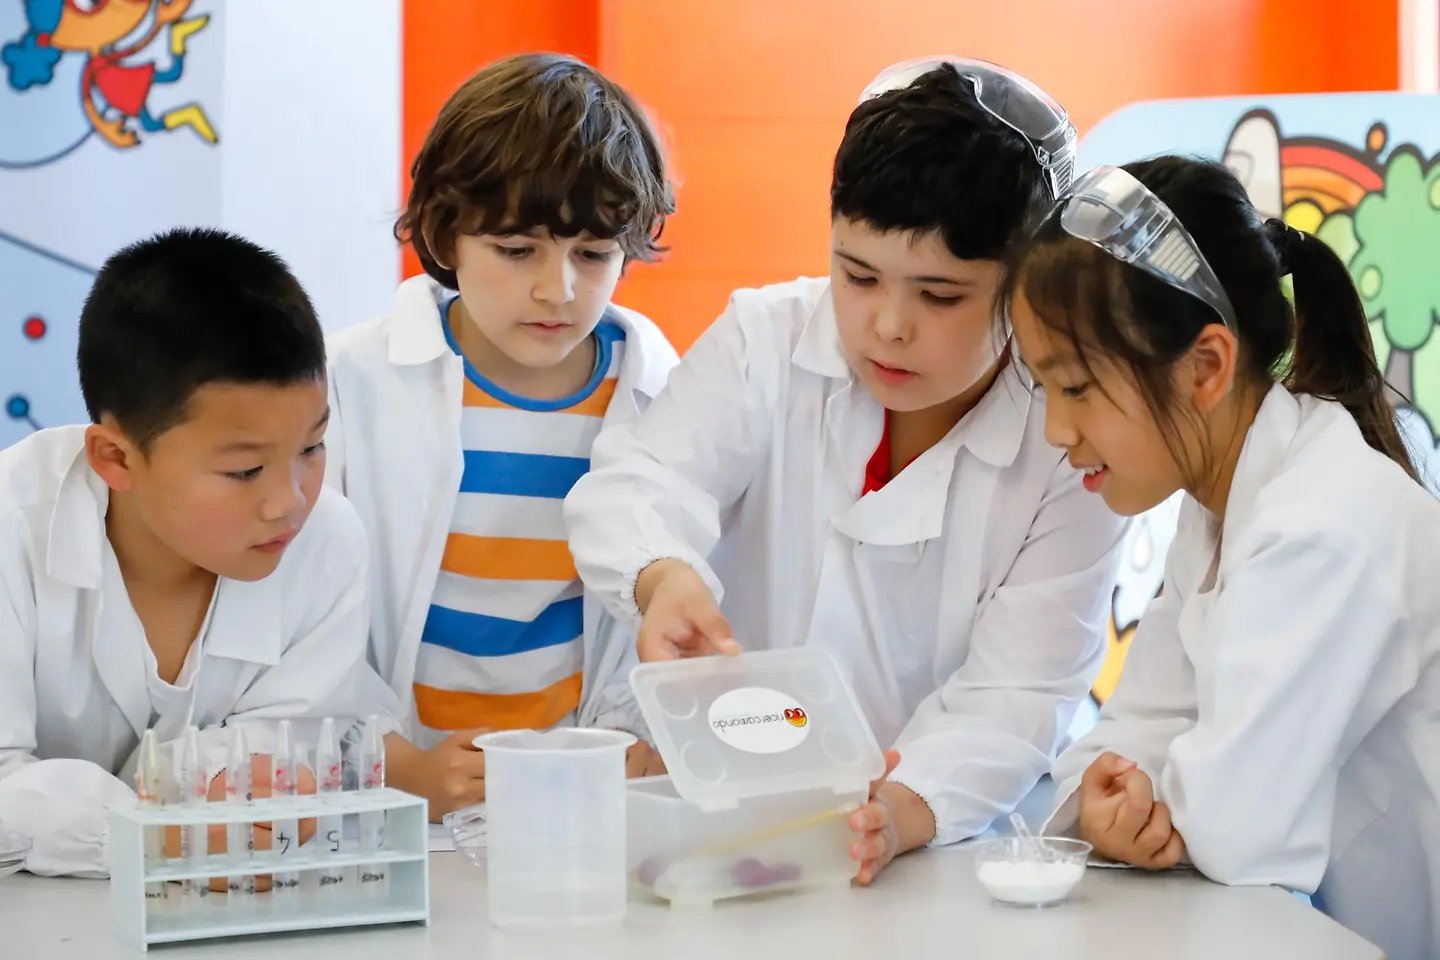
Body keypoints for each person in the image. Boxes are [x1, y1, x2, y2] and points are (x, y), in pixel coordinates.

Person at [563, 57, 1127, 883]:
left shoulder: (1069, 437)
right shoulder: (768, 340)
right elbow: (642, 481)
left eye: (940, 297)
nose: (888, 326)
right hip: (711, 818)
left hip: (930, 850)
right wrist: (662, 578)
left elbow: (1021, 693)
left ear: (1027, 282)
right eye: (857, 275)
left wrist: (899, 810)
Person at [1013, 157, 1440, 960]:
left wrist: (1150, 800)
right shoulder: (1219, 509)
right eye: (1045, 390)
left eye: (1076, 388)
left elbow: (1232, 830)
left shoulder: (1318, 525)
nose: (1056, 433)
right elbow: (1130, 734)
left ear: (1206, 365)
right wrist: (1116, 798)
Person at [324, 53, 678, 820]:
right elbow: (311, 614)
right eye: (517, 251)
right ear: (446, 235)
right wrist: (401, 765)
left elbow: (665, 619)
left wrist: (623, 745)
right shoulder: (352, 381)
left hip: (582, 801)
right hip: (401, 796)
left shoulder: (660, 396)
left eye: (593, 254)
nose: (559, 290)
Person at [0, 228, 393, 877]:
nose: (289, 501)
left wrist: (212, 811)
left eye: (312, 448)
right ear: (116, 457)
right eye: (244, 471)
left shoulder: (327, 544)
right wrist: (164, 836)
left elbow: (279, 753)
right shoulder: (11, 529)